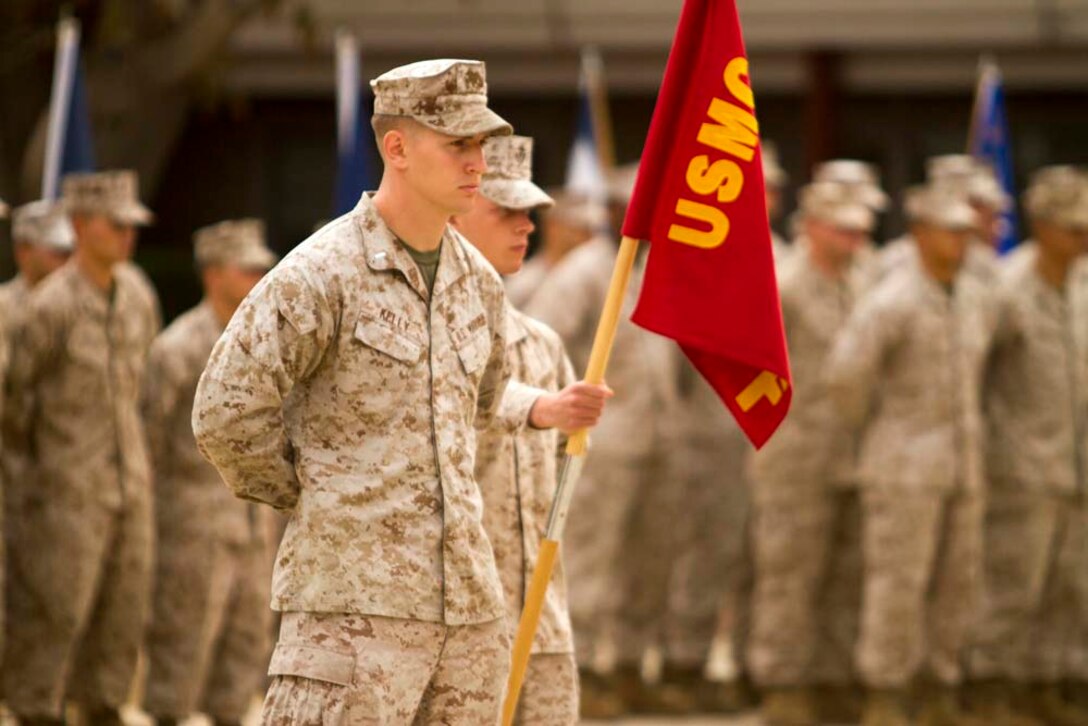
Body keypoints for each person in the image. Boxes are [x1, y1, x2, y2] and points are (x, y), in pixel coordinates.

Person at [192, 59, 518, 723]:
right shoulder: (321, 274)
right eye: (457, 143)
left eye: (481, 144)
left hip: (468, 619)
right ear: (396, 147)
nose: (477, 161)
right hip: (350, 616)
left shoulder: (479, 283)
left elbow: (481, 411)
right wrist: (322, 496)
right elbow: (226, 412)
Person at [451, 133, 611, 724]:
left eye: (529, 214)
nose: (525, 227)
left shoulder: (541, 343)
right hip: (461, 615)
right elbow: (472, 393)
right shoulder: (425, 328)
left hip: (540, 608)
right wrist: (540, 408)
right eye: (505, 212)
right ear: (460, 214)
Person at [827, 185, 998, 726]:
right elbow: (846, 379)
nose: (961, 242)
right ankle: (887, 693)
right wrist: (886, 433)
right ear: (920, 233)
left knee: (957, 580)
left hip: (963, 463)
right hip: (903, 466)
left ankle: (939, 685)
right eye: (950, 231)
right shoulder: (891, 300)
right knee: (897, 583)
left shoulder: (974, 298)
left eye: (966, 232)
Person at [3, 170, 158, 726]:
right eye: (115, 225)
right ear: (80, 226)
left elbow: (146, 390)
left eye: (131, 226)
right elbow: (15, 403)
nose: (126, 236)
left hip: (128, 484)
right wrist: (37, 483)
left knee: (123, 611)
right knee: (55, 613)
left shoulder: (137, 294)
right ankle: (36, 708)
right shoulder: (50, 306)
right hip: (64, 490)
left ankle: (103, 706)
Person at [526, 162, 681, 717]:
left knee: (650, 560)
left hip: (659, 438)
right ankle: (585, 668)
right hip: (600, 444)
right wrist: (563, 409)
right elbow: (540, 342)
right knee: (591, 560)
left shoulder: (658, 268)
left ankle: (633, 664)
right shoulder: (586, 272)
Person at [143, 219, 279, 726]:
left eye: (260, 269)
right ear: (214, 274)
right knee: (181, 655)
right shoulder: (177, 348)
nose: (256, 278)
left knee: (243, 658)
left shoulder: (260, 343)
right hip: (191, 525)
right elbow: (149, 441)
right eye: (246, 269)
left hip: (249, 526)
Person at [747, 181, 873, 726]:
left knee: (846, 573)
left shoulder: (861, 284)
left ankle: (833, 676)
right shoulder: (784, 284)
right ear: (815, 226)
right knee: (790, 573)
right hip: (795, 453)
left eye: (861, 230)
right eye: (844, 229)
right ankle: (784, 684)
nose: (855, 239)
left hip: (852, 450)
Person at [967, 167, 1088, 726]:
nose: (1081, 239)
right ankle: (994, 684)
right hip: (1021, 465)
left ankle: (1050, 681)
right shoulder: (1007, 288)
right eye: (1071, 228)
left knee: (1069, 585)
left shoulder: (1085, 286)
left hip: (1076, 464)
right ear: (1041, 226)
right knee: (1013, 583)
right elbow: (974, 376)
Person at [505, 189, 605, 309]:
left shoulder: (594, 278)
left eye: (588, 231)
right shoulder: (524, 283)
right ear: (552, 227)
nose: (586, 237)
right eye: (577, 229)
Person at [0, 200, 74, 318]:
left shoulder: (77, 306)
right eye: (58, 252)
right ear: (24, 250)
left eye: (70, 253)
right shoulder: (3, 309)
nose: (68, 262)